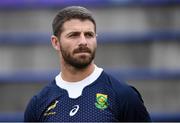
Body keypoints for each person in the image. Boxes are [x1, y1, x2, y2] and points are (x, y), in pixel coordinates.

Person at [24, 6, 151, 122]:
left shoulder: (123, 95)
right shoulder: (39, 103)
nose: (83, 41)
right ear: (56, 42)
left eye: (89, 35)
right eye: (74, 35)